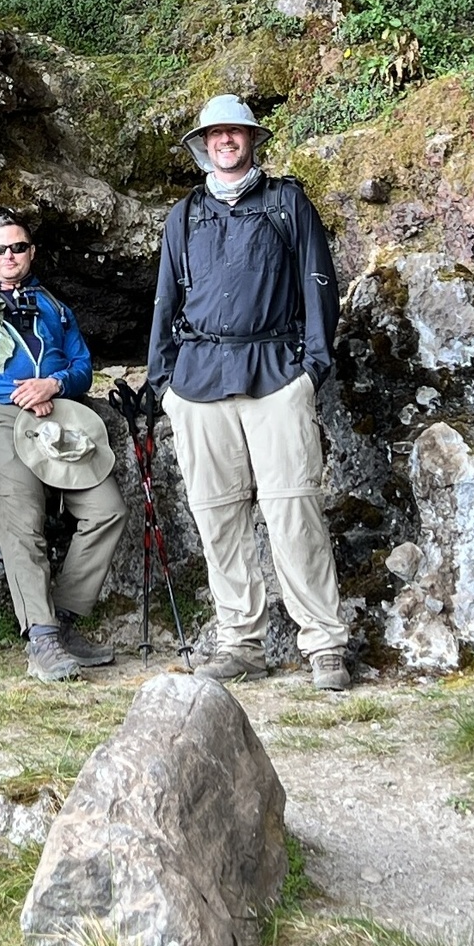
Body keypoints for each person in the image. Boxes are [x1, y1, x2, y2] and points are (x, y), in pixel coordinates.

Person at [142, 94, 352, 690]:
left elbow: (319, 285)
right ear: (203, 145)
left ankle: (323, 644)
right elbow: (165, 300)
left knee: (293, 508)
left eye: (234, 132)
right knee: (217, 516)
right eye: (214, 135)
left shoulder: (287, 203)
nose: (224, 142)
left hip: (276, 372)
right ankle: (241, 642)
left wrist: (313, 366)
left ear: (251, 139)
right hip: (199, 379)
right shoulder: (183, 216)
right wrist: (164, 382)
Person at [0, 211, 127, 682]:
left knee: (107, 509)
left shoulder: (54, 307)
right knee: (21, 514)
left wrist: (55, 384)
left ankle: (61, 620)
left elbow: (83, 365)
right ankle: (41, 640)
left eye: (17, 247)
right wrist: (20, 391)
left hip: (58, 408)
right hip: (0, 411)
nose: (9, 257)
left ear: (31, 252)